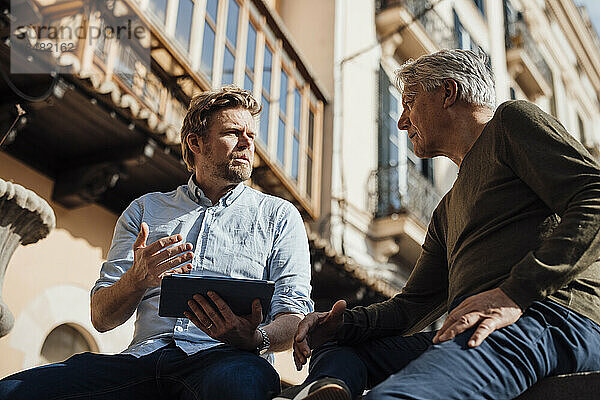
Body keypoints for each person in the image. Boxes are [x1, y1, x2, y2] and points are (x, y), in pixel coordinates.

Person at [276, 49, 600, 400]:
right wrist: (341, 324)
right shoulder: (446, 209)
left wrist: (513, 294)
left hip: (550, 316)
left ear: (448, 93)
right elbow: (411, 306)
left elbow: (595, 198)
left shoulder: (511, 121)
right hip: (477, 327)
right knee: (341, 350)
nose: (401, 122)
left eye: (410, 102)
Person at [0, 86, 313, 400]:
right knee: (11, 391)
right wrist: (137, 279)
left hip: (228, 361)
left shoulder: (280, 216)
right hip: (142, 362)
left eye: (251, 135)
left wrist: (255, 339)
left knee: (243, 383)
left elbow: (294, 316)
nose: (247, 143)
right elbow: (101, 317)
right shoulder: (144, 210)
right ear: (196, 142)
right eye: (233, 132)